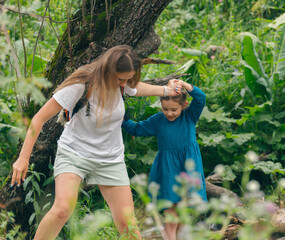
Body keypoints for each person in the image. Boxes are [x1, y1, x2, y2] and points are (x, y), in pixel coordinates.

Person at [11, 45, 181, 240]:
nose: (123, 85)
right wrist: (23, 158)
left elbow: (136, 88)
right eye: (120, 80)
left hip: (110, 159)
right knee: (62, 210)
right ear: (108, 71)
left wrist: (167, 89)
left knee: (128, 223)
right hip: (74, 154)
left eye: (127, 80)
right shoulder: (81, 85)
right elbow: (38, 119)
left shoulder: (123, 83)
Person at [122, 80, 207, 240]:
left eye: (174, 109)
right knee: (170, 217)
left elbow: (201, 97)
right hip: (168, 170)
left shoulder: (190, 116)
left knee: (184, 215)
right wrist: (121, 115)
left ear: (184, 105)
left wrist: (184, 84)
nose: (169, 113)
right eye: (165, 109)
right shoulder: (158, 120)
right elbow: (136, 129)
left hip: (188, 167)